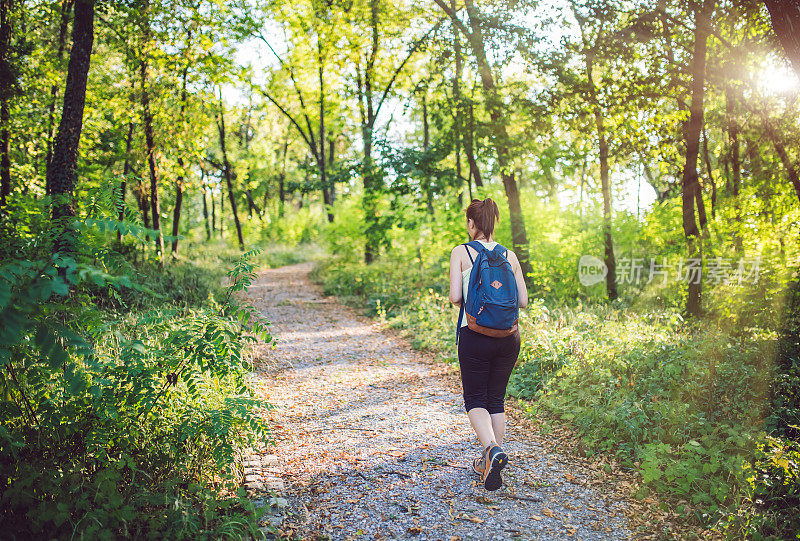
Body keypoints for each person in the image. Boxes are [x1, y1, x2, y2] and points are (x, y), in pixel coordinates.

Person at [448, 198, 528, 491]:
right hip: (509, 338)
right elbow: (523, 301)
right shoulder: (510, 255)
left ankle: (492, 450)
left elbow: (456, 297)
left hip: (474, 335)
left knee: (475, 400)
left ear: (472, 223)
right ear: (493, 222)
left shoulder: (461, 252)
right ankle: (489, 463)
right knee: (496, 399)